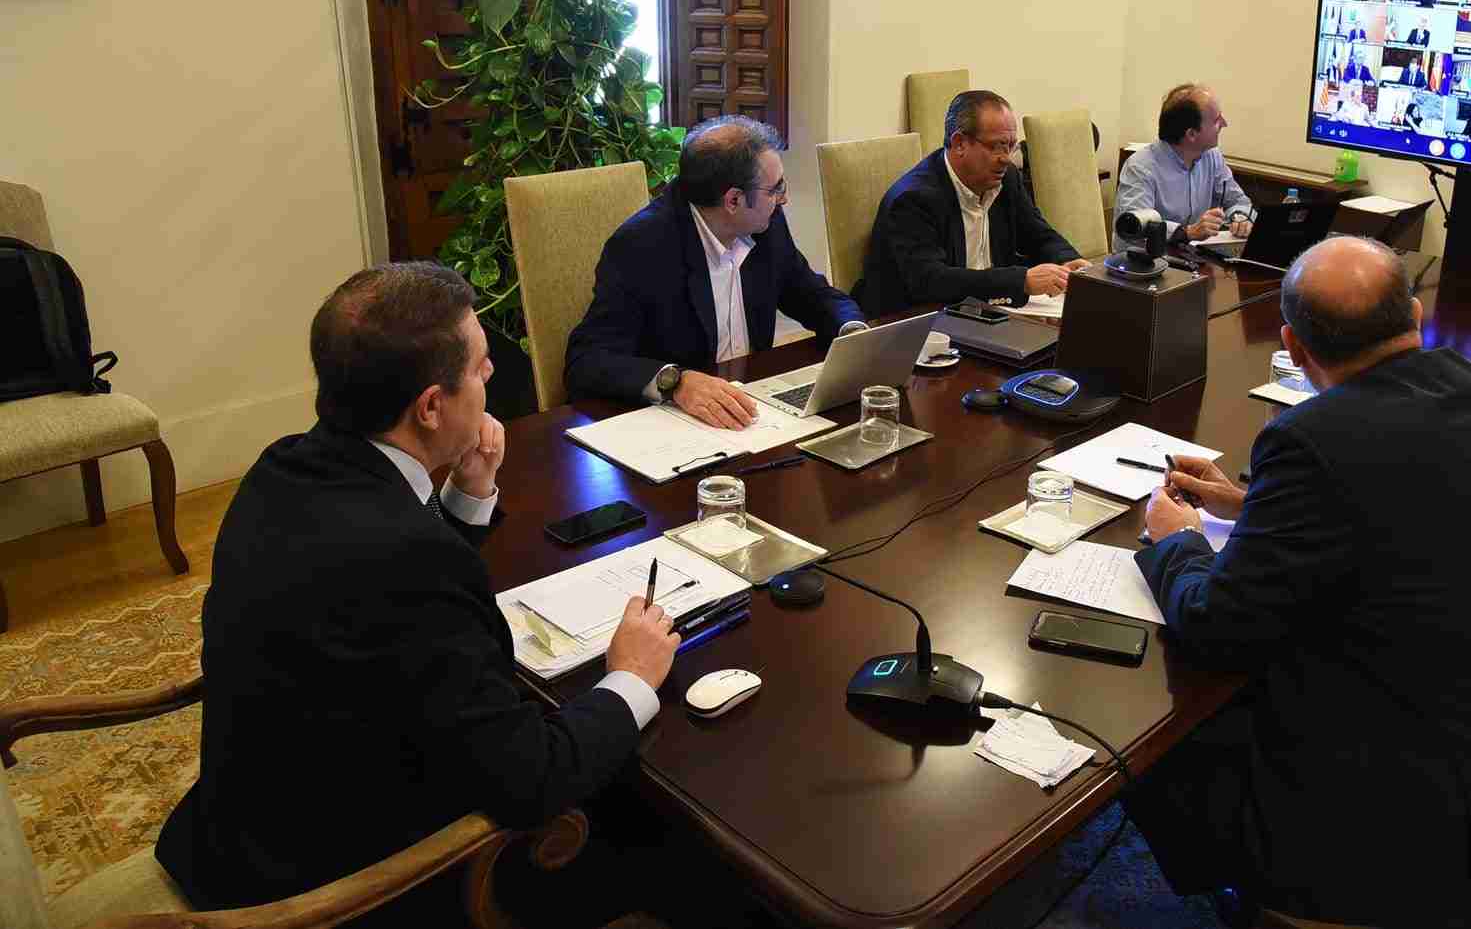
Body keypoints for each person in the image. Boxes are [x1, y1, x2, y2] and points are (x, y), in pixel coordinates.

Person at [156, 263, 685, 926]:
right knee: (661, 847)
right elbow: (532, 780)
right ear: (431, 406)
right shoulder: (407, 562)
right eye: (482, 367)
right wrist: (631, 677)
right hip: (331, 887)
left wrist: (468, 493)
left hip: (242, 823)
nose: (493, 378)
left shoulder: (283, 467)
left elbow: (381, 606)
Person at [1128, 237, 1471, 928]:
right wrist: (1250, 506)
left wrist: (1173, 536)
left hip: (1430, 854)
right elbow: (1411, 505)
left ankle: (1262, 902)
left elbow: (1218, 625)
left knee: (1158, 739)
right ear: (1414, 316)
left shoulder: (1309, 439)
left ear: (1294, 347)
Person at [564, 116, 864, 425]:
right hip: (675, 424)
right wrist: (676, 382)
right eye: (776, 189)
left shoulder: (766, 224)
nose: (784, 198)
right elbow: (587, 361)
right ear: (733, 200)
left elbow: (811, 294)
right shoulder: (641, 246)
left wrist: (852, 333)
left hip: (752, 407)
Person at [855, 89, 1084, 317]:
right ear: (959, 143)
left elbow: (1037, 234)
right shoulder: (913, 199)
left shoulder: (1006, 178)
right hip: (919, 324)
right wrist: (1020, 281)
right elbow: (931, 281)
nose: (1006, 158)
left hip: (989, 313)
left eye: (1011, 145)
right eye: (996, 146)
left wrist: (1069, 261)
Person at [1113, 82, 1255, 249]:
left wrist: (1240, 219)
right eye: (1217, 120)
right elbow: (1134, 229)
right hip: (1148, 265)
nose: (1224, 123)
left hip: (1193, 261)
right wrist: (1187, 232)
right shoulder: (1140, 167)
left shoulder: (1212, 156)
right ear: (1192, 134)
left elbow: (1239, 202)